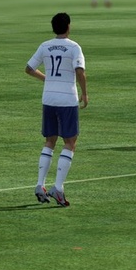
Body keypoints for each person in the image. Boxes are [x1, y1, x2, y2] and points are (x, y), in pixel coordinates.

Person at [25, 12, 88, 207]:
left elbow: (29, 68)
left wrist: (47, 79)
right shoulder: (74, 47)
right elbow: (80, 71)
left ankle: (40, 185)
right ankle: (58, 188)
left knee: (49, 141)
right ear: (68, 26)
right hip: (67, 99)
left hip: (49, 98)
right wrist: (85, 93)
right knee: (70, 142)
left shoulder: (45, 46)